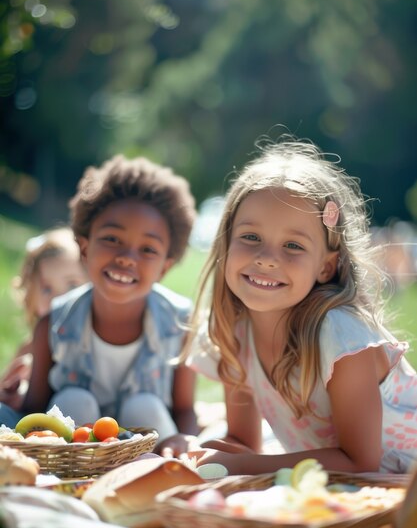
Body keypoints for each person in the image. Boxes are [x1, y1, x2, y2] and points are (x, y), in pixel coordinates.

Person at [183, 139, 417, 475]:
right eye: (250, 237)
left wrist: (242, 464)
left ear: (326, 266)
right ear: (226, 243)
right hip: (332, 487)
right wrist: (198, 455)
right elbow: (245, 446)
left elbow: (360, 462)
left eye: (293, 245)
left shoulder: (341, 335)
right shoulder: (232, 333)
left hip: (397, 489)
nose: (266, 259)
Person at [0, 155, 199, 455]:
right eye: (112, 239)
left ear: (164, 267)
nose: (127, 257)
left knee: (144, 406)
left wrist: (188, 440)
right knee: (73, 400)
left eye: (147, 249)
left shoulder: (180, 323)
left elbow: (184, 410)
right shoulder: (53, 323)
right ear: (84, 247)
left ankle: (149, 481)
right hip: (75, 455)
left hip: (147, 453)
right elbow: (37, 409)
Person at [0, 227, 88, 410]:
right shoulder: (30, 348)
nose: (57, 300)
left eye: (72, 286)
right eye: (47, 289)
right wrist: (12, 391)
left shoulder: (91, 344)